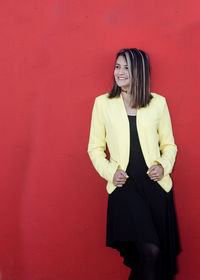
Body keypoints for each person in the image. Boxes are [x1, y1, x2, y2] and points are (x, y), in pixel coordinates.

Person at [87, 48, 182, 280]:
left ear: (139, 72)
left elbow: (169, 146)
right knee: (150, 251)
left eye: (127, 67)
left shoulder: (158, 103)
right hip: (125, 188)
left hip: (156, 188)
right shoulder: (103, 104)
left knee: (153, 259)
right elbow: (95, 148)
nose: (120, 72)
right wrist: (110, 172)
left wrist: (163, 165)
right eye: (118, 66)